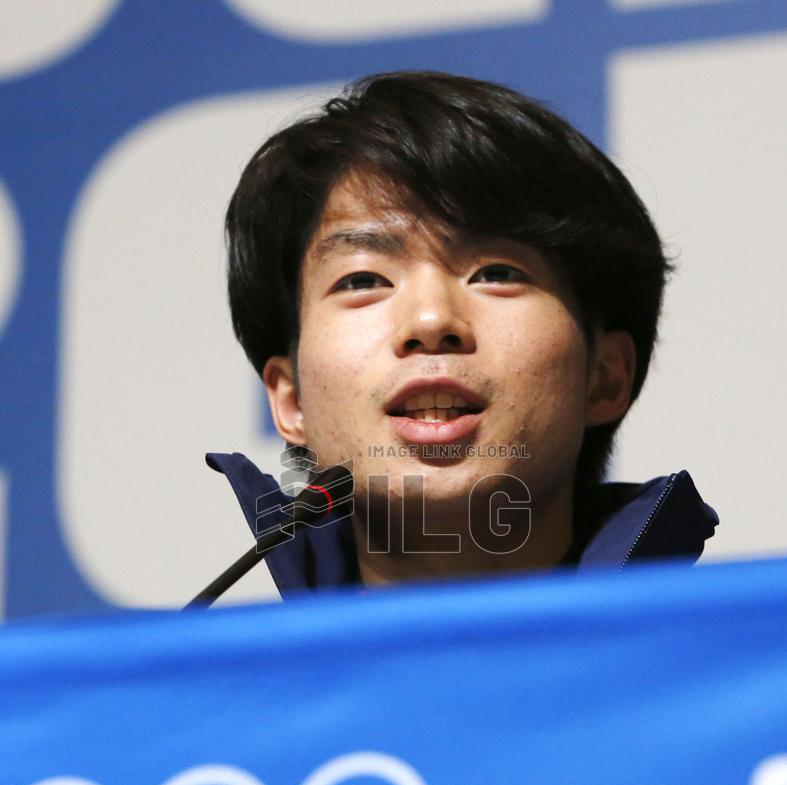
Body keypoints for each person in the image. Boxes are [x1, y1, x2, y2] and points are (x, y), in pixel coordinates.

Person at [206, 70, 717, 596]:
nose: (430, 323)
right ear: (292, 402)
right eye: (363, 280)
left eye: (496, 273)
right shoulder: (212, 681)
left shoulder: (743, 671)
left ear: (604, 378)